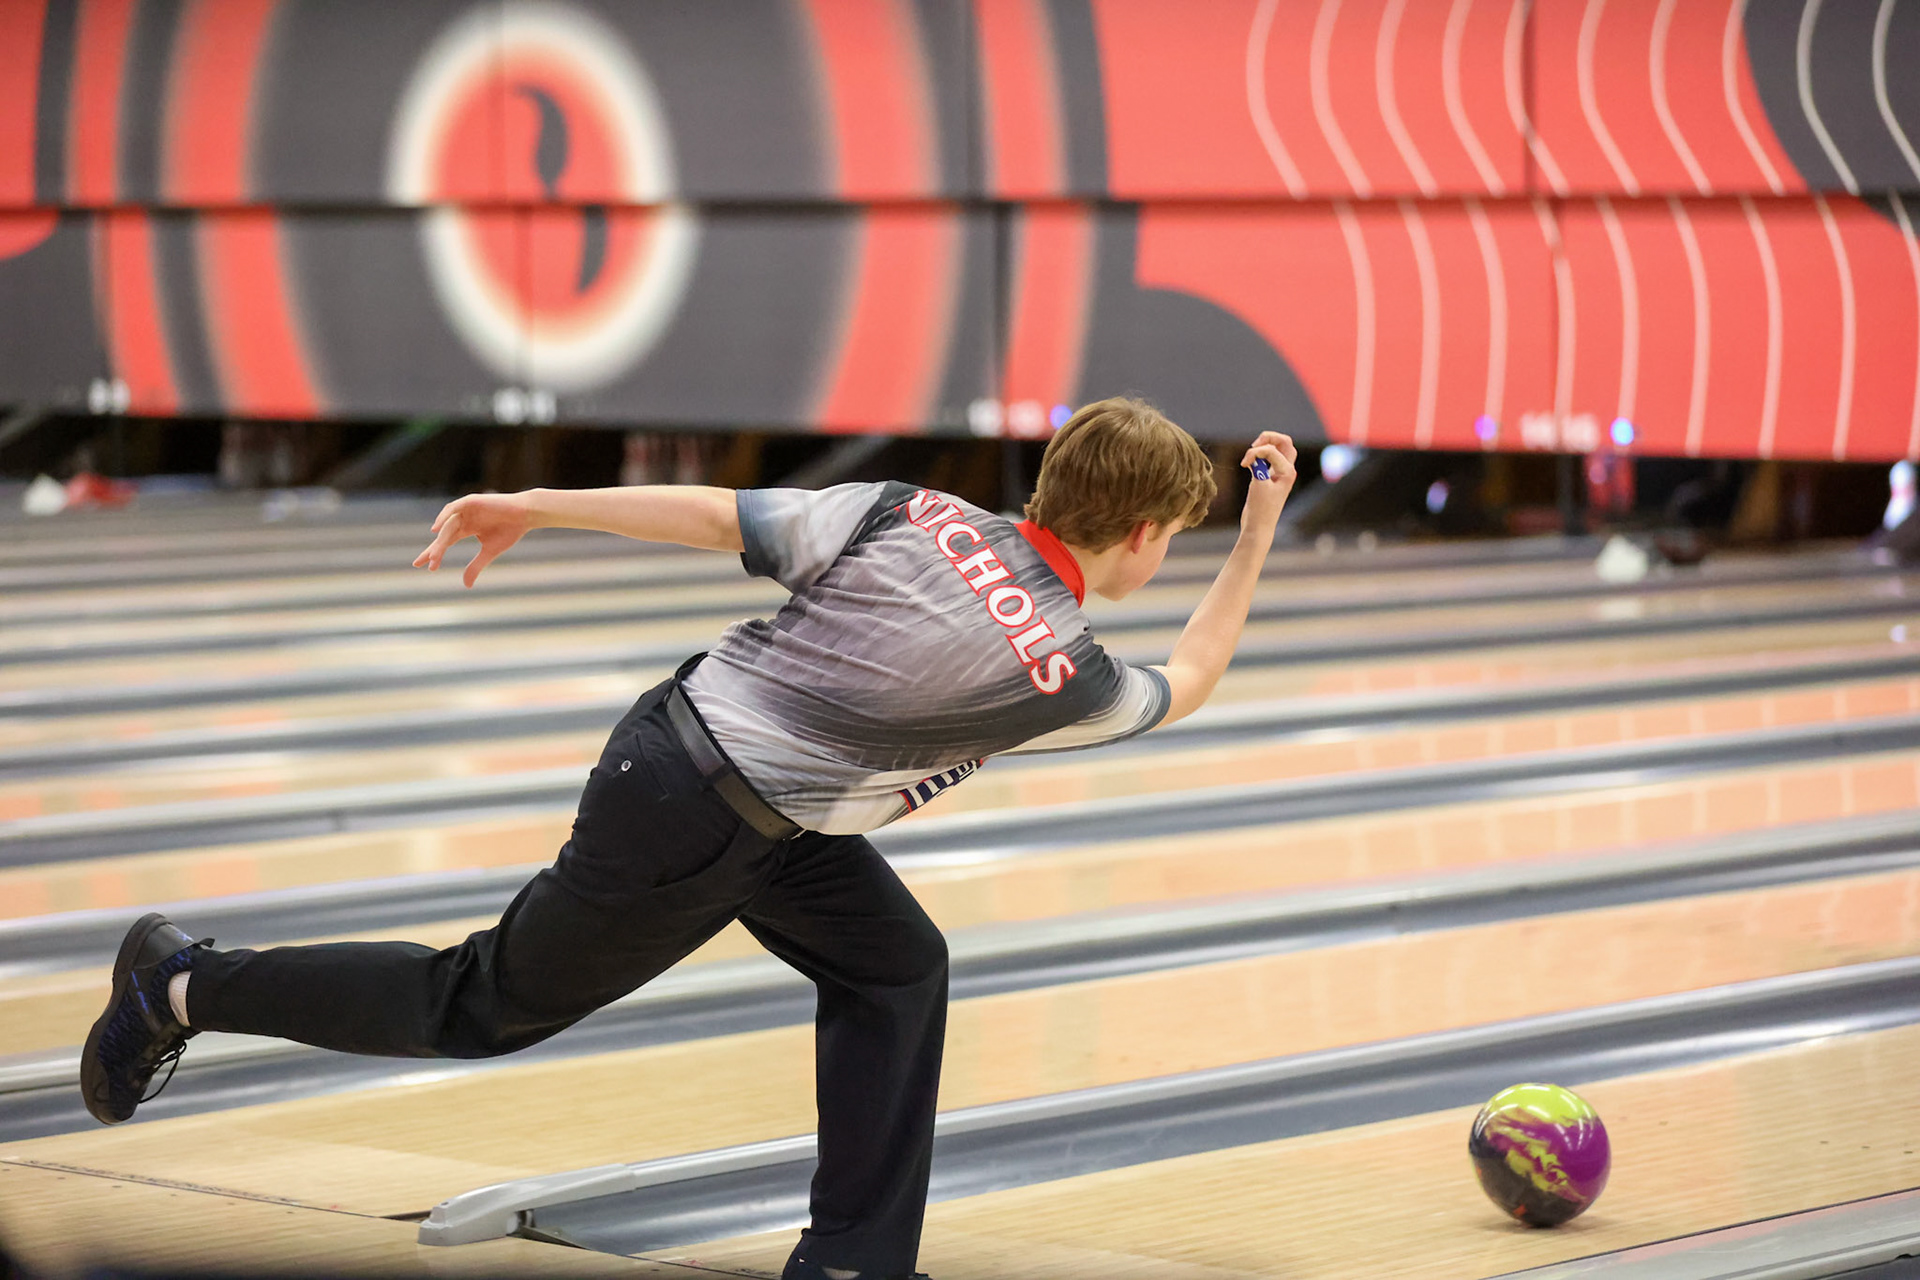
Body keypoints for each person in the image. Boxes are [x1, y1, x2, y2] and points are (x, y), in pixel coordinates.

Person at [80, 397, 1297, 1280]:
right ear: (1140, 532)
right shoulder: (1061, 671)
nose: (1171, 554)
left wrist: (537, 503)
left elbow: (716, 516)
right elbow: (1191, 673)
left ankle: (852, 1263)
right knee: (479, 1002)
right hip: (694, 818)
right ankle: (179, 981)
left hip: (718, 768)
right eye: (1175, 537)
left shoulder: (909, 510)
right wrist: (1257, 530)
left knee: (897, 964)